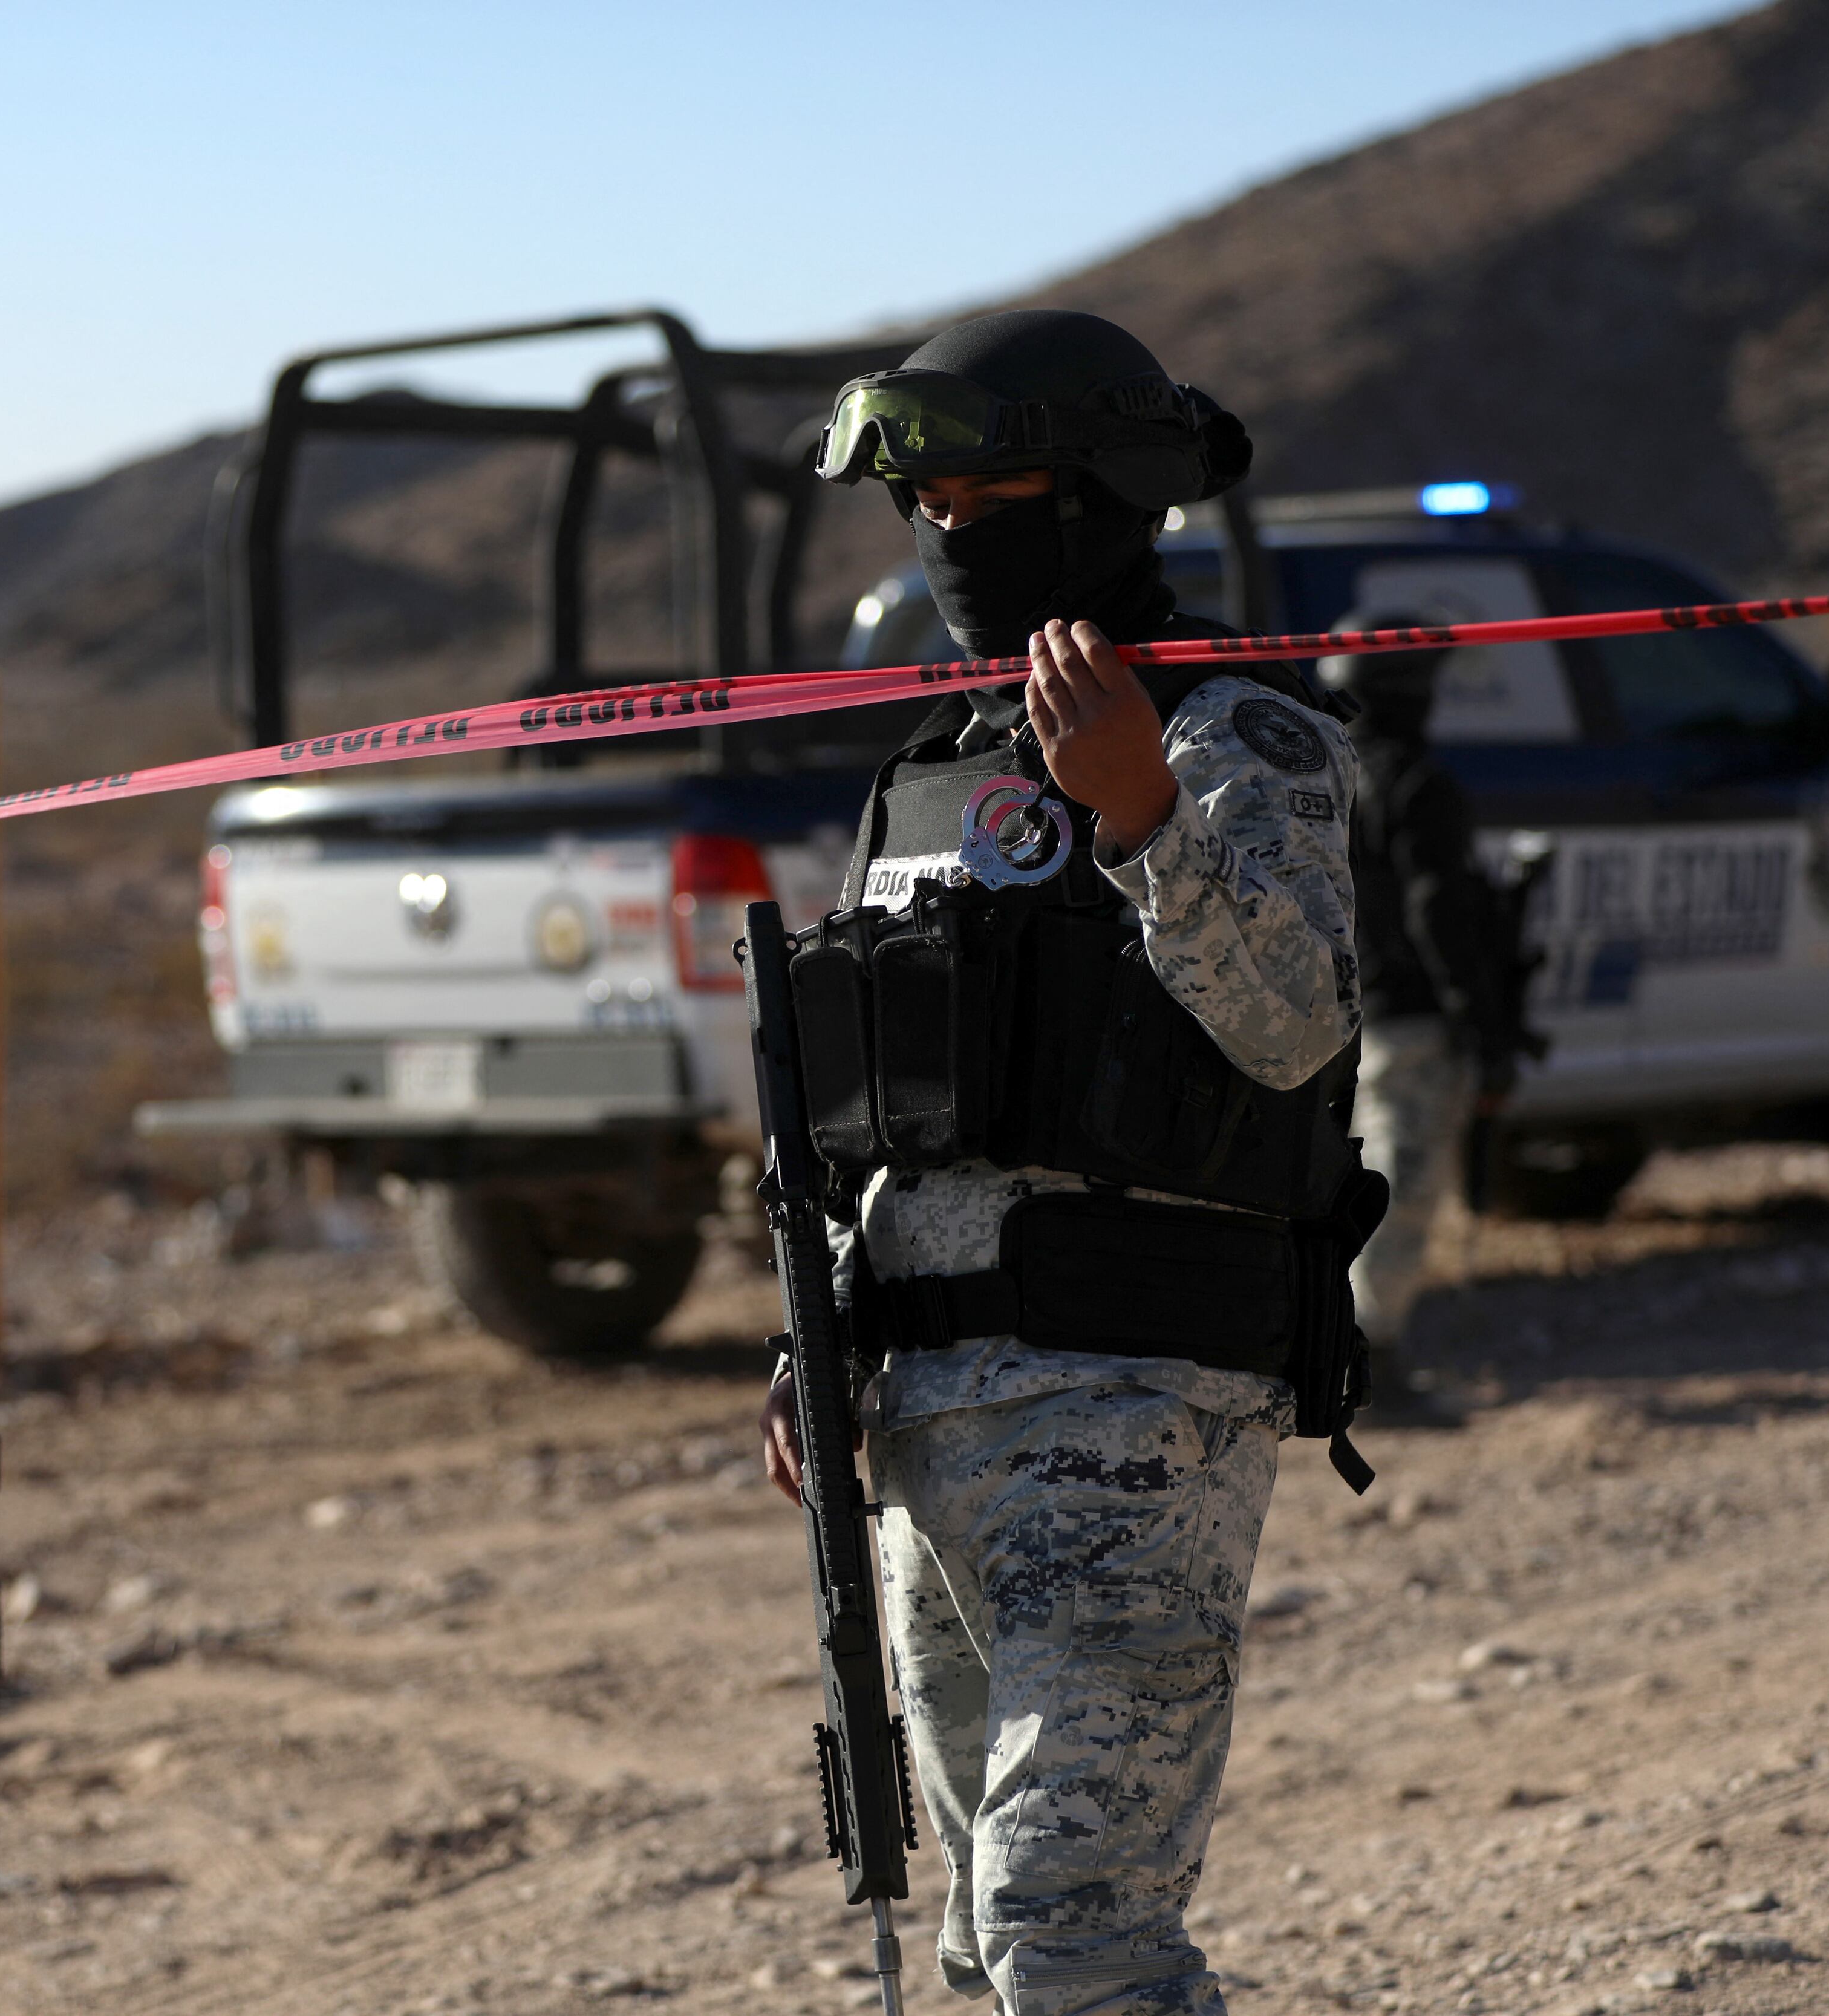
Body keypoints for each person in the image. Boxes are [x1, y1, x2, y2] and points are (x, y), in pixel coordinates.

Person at [763, 310, 1372, 2016]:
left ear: (1102, 492)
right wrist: (807, 1340)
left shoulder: (1241, 744)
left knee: (1076, 1924)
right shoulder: (928, 780)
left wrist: (1145, 823)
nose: (950, 524)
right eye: (925, 496)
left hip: (1132, 1404)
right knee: (987, 1927)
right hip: (926, 1415)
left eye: (988, 485)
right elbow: (858, 1114)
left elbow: (1297, 1028)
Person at [1321, 624, 1521, 1422]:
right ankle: (1370, 1367)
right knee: (1401, 1194)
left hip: (1338, 1020)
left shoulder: (1330, 779)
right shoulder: (1418, 787)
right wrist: (1483, 1023)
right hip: (1408, 1020)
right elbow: (1442, 913)